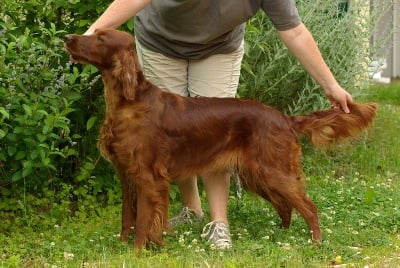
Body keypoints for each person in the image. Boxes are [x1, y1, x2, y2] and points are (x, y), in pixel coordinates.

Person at [83, 0, 353, 249]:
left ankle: (219, 223)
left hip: (219, 46)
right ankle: (191, 210)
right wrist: (93, 33)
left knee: (216, 135)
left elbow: (294, 32)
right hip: (161, 41)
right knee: (167, 134)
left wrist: (331, 86)